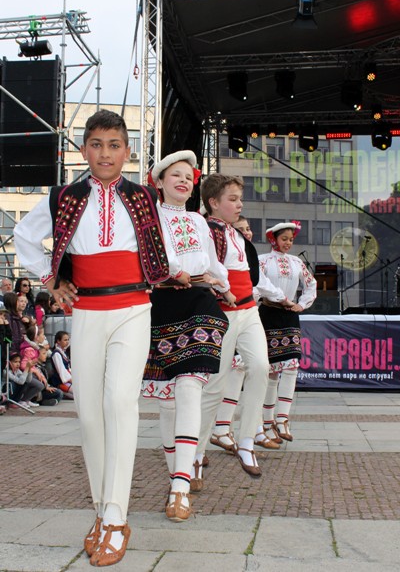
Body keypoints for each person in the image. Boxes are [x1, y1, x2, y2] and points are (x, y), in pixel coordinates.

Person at [13, 109, 169, 567]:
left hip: (134, 308)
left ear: (127, 152)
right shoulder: (63, 196)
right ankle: (102, 510)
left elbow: (170, 247)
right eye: (97, 144)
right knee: (88, 415)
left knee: (120, 401)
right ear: (84, 150)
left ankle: (117, 517)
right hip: (85, 311)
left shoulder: (145, 197)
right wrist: (50, 280)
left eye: (114, 145)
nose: (105, 153)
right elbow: (23, 236)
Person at [142, 150, 231, 522]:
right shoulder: (148, 218)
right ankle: (177, 475)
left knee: (191, 386)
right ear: (160, 182)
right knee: (167, 401)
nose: (182, 180)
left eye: (188, 176)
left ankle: (181, 484)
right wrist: (177, 271)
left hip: (199, 303)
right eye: (174, 174)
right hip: (161, 304)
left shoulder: (198, 220)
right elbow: (154, 258)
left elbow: (213, 263)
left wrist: (225, 287)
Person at [193, 174, 293, 481]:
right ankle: (195, 452)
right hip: (224, 314)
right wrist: (220, 289)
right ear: (213, 202)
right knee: (215, 384)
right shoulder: (208, 230)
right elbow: (206, 268)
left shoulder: (235, 234)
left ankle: (248, 440)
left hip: (248, 310)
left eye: (240, 199)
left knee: (261, 367)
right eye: (233, 199)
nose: (239, 205)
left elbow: (251, 277)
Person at [259, 221, 317, 443]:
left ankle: (283, 418)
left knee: (292, 365)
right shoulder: (263, 260)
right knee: (271, 370)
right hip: (268, 314)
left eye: (291, 240)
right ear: (273, 239)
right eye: (284, 239)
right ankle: (268, 422)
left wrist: (301, 304)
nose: (288, 243)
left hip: (289, 314)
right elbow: (257, 286)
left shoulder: (296, 262)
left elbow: (311, 284)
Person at [51, 331, 73, 399]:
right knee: (78, 394)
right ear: (58, 341)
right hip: (60, 381)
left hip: (67, 379)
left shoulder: (63, 352)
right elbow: (61, 370)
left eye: (68, 340)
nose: (67, 342)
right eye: (65, 340)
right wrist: (71, 380)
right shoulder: (56, 354)